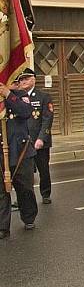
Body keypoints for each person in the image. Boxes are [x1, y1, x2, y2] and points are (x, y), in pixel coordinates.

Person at [0, 79, 37, 237]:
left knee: (25, 188)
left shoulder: (19, 95)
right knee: (1, 191)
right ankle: (3, 227)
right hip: (1, 151)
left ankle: (28, 217)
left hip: (19, 151)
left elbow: (26, 112)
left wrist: (7, 94)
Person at [16, 68, 53, 204]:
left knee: (43, 169)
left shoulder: (43, 97)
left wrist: (41, 138)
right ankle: (25, 198)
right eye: (21, 79)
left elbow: (47, 119)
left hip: (38, 141)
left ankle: (45, 193)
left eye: (26, 78)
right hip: (23, 142)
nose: (23, 81)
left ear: (33, 79)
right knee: (24, 173)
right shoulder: (17, 98)